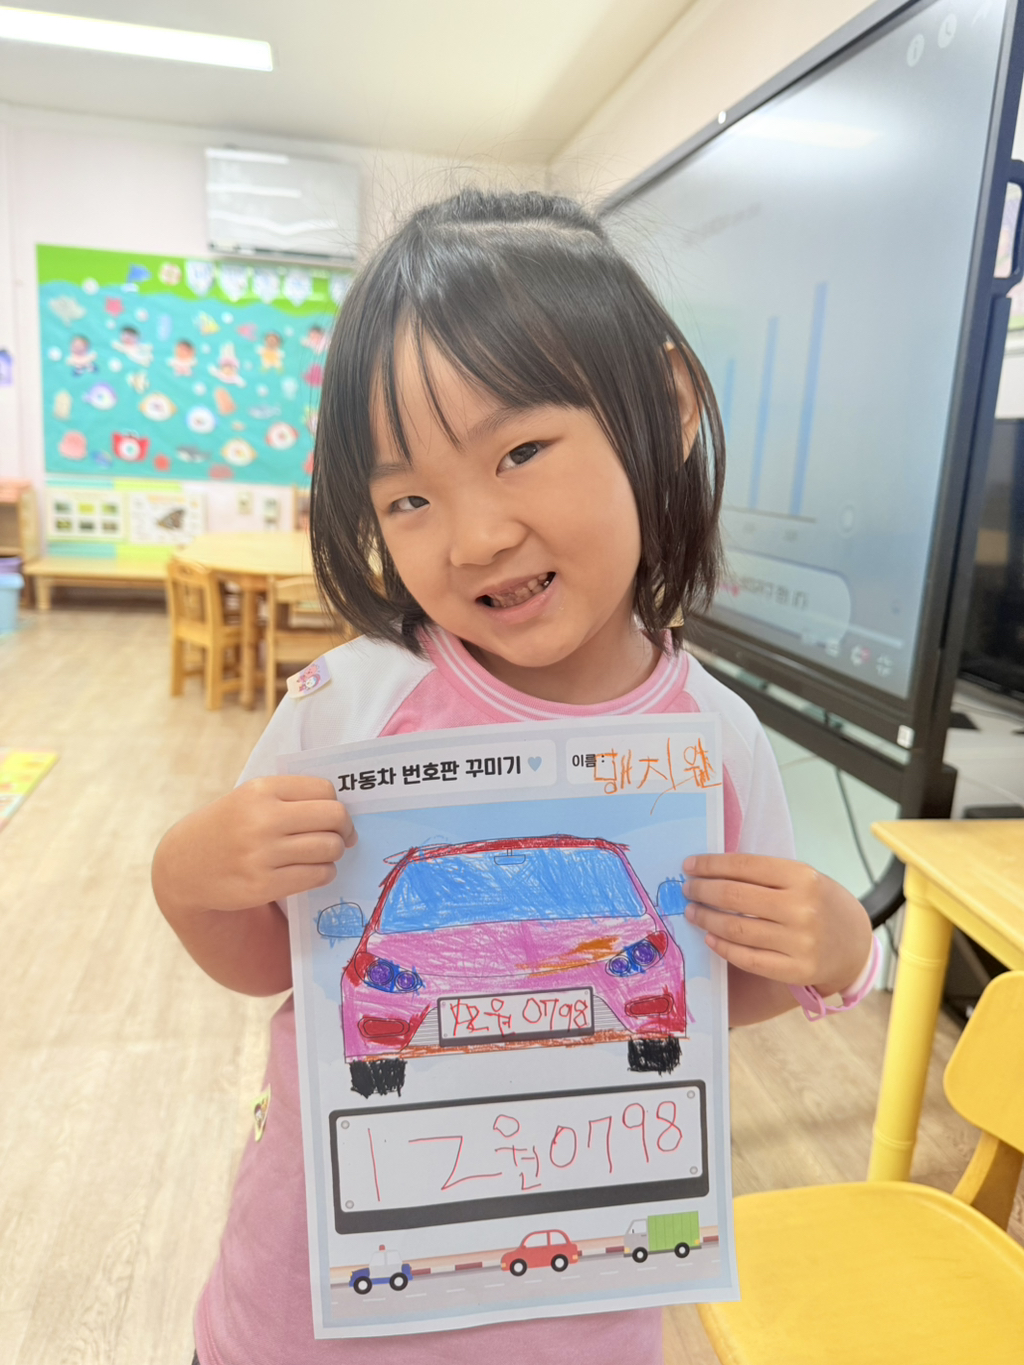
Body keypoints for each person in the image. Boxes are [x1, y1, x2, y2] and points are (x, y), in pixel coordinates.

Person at [152, 189, 876, 1365]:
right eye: (409, 498)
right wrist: (190, 873)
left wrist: (834, 950)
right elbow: (267, 960)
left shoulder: (714, 737)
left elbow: (717, 984)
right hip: (318, 1307)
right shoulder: (350, 705)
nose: (475, 536)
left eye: (520, 452)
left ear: (666, 409)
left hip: (579, 1311)